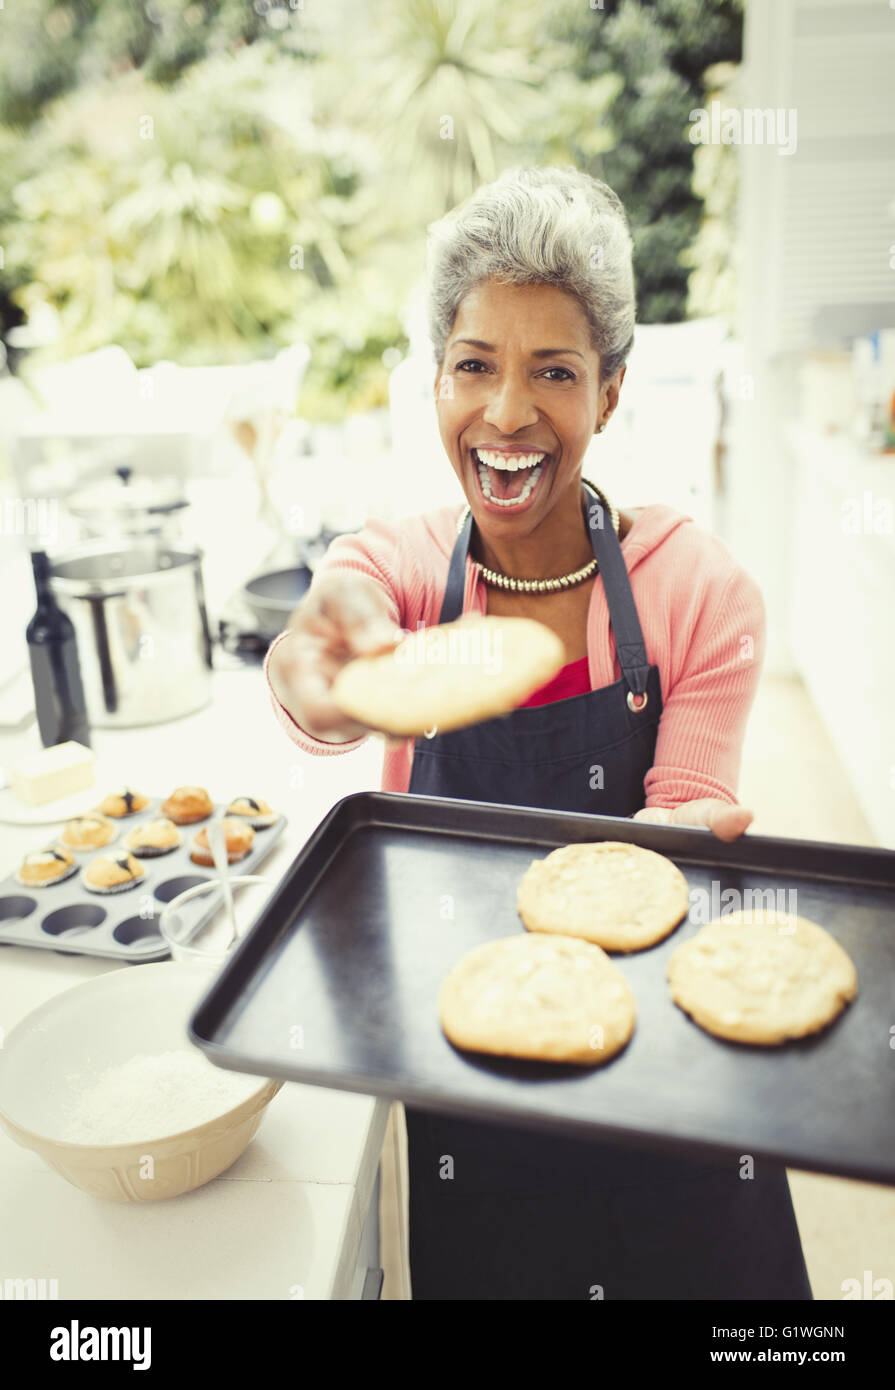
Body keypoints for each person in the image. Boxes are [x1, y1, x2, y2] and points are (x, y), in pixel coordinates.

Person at [266, 165, 812, 1301]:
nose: (506, 412)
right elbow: (318, 655)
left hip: (672, 1069)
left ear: (609, 392)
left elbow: (682, 810)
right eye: (473, 365)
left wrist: (686, 841)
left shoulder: (699, 590)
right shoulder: (408, 567)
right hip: (476, 1076)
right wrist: (321, 671)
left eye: (552, 371)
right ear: (434, 381)